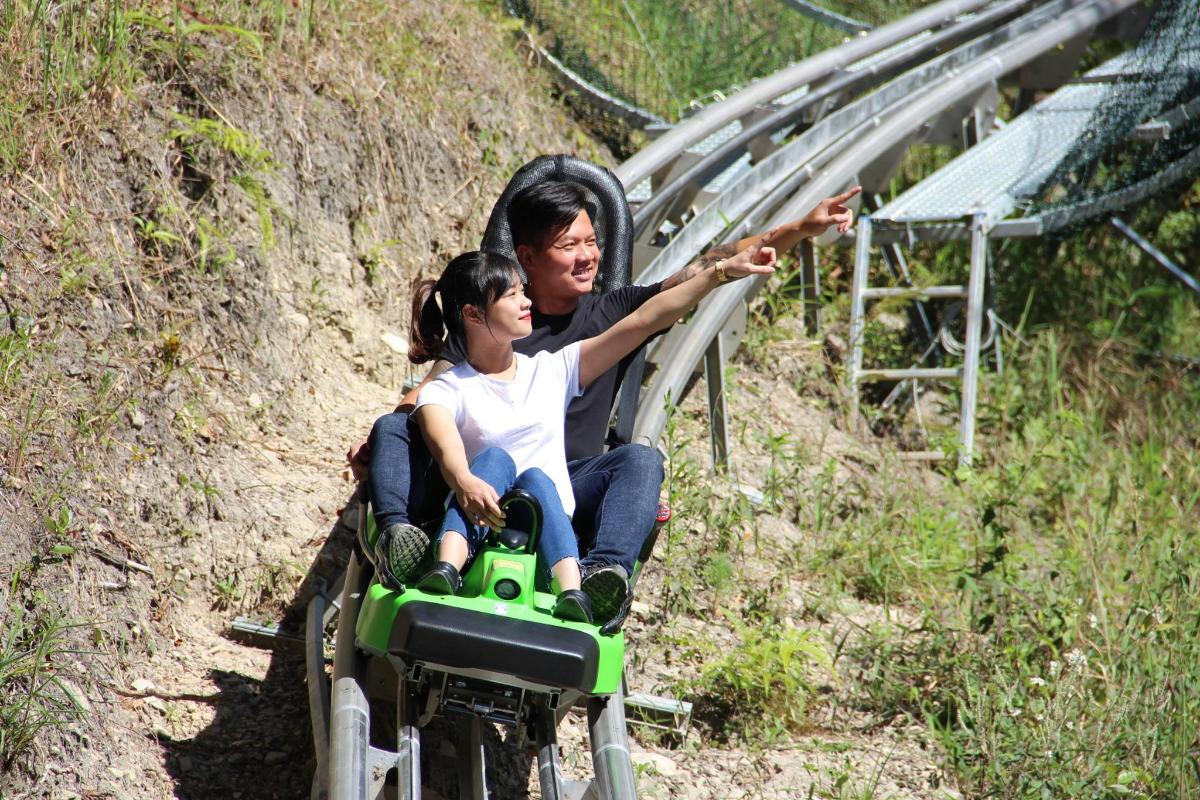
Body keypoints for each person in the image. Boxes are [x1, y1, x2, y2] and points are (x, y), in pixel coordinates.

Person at [353, 178, 860, 632]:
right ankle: (402, 542)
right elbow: (433, 394)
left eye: (593, 241)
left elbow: (701, 271)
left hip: (568, 479)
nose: (588, 255)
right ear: (527, 259)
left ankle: (604, 576)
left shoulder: (598, 322)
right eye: (569, 244)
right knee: (394, 428)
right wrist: (384, 445)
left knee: (640, 459)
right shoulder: (497, 321)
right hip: (483, 478)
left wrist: (797, 229)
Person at [408, 244, 777, 625]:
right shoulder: (447, 387)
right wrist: (465, 479)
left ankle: (592, 583)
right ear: (472, 313)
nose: (526, 301)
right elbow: (445, 445)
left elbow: (643, 321)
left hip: (546, 521)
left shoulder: (552, 370)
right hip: (481, 517)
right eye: (513, 294)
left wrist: (718, 274)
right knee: (496, 459)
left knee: (587, 470)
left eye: (523, 290)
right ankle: (446, 569)